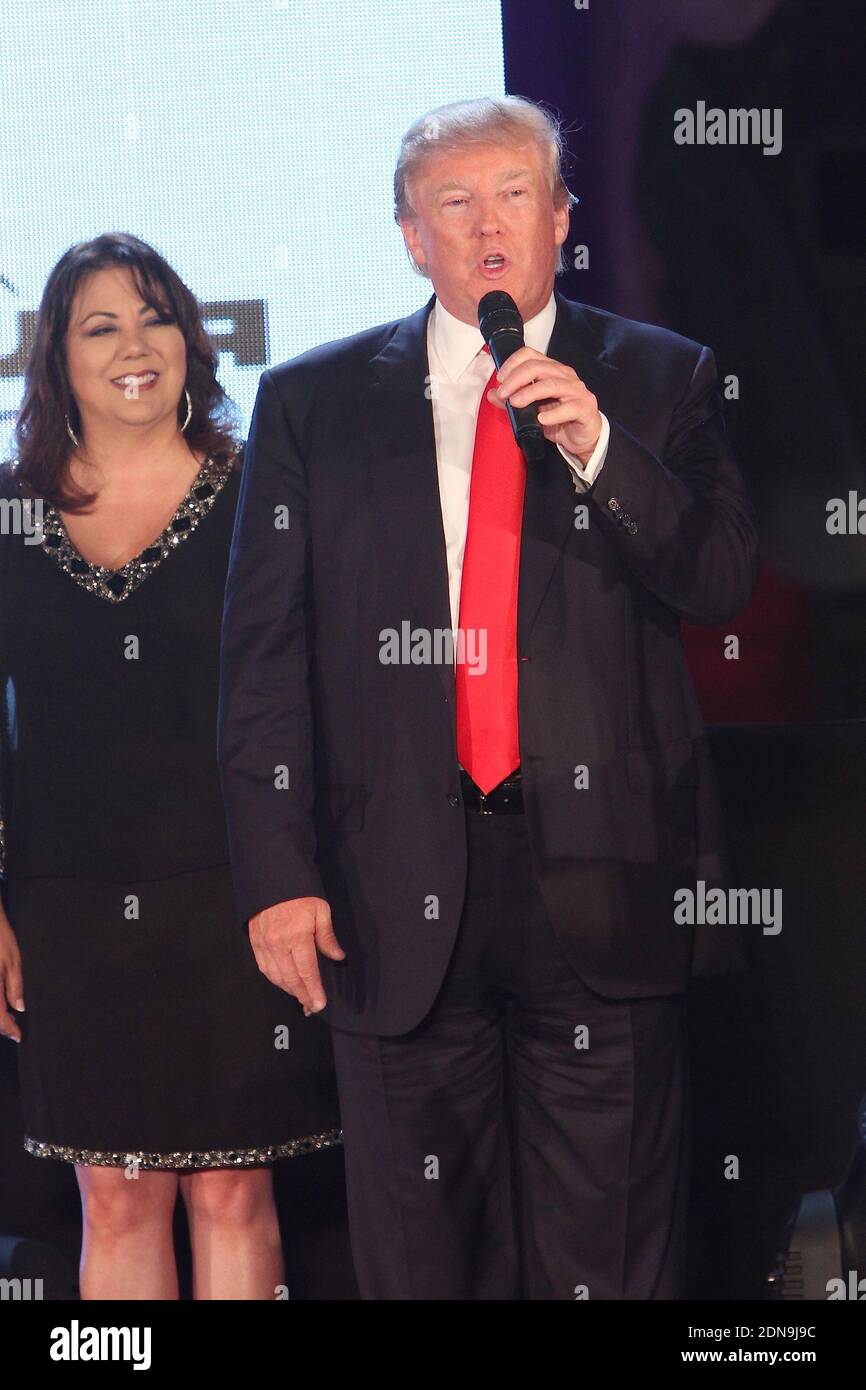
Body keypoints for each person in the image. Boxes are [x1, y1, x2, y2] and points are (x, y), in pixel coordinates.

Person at [218, 97, 759, 1300]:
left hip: (607, 874)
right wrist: (276, 872)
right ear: (411, 236)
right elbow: (262, 657)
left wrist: (602, 451)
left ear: (562, 217)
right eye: (453, 204)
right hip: (384, 875)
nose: (488, 227)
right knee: (420, 1259)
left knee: (610, 1254)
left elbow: (718, 580)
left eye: (514, 194)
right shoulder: (312, 404)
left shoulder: (661, 381)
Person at [0, 233, 341, 1300]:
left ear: (194, 341)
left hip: (235, 894)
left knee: (233, 1189)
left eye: (154, 318)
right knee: (115, 1191)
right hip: (67, 907)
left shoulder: (259, 498)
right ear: (54, 357)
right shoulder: (8, 516)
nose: (134, 347)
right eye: (100, 327)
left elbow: (316, 704)